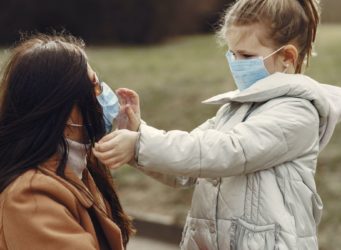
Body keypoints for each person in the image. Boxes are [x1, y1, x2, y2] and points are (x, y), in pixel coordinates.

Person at [93, 0, 341, 249]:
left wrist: (139, 145)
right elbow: (187, 166)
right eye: (232, 53)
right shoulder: (233, 110)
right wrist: (138, 132)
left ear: (287, 57)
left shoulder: (296, 112)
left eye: (246, 55)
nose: (236, 62)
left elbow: (227, 151)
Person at [0, 34, 134, 250]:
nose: (104, 96)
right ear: (65, 109)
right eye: (95, 87)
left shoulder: (79, 169)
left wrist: (138, 141)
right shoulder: (31, 196)